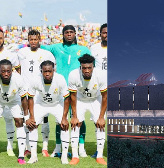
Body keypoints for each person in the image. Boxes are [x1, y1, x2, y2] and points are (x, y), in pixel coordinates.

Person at [41, 25, 90, 157]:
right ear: (63, 34)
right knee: (60, 118)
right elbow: (40, 46)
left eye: (71, 32)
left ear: (75, 34)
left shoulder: (83, 49)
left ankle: (81, 148)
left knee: (79, 118)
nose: (69, 34)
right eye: (66, 32)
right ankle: (58, 148)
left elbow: (90, 68)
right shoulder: (56, 47)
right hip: (60, 91)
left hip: (77, 90)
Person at [18, 29, 55, 157]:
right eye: (31, 39)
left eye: (35, 39)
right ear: (28, 40)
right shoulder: (21, 52)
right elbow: (18, 68)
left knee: (44, 119)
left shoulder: (46, 54)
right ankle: (28, 147)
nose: (33, 42)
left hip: (40, 92)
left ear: (39, 39)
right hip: (25, 92)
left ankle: (44, 147)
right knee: (27, 119)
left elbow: (52, 70)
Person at [26, 60, 70, 164]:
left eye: (49, 71)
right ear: (41, 71)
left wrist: (64, 118)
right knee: (32, 125)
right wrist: (31, 117)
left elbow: (67, 98)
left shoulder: (60, 79)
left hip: (57, 104)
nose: (47, 73)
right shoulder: (35, 79)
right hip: (41, 104)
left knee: (64, 126)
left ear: (53, 70)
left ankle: (64, 156)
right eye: (44, 71)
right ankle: (33, 156)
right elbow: (30, 98)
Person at [68, 54, 107, 165]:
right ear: (80, 67)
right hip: (80, 99)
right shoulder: (73, 75)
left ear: (93, 67)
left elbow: (105, 97)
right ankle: (75, 156)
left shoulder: (101, 75)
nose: (86, 71)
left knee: (100, 125)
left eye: (89, 68)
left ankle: (99, 156)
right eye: (84, 68)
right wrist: (74, 116)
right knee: (75, 124)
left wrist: (101, 117)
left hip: (96, 99)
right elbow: (73, 96)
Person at [0, 59, 28, 164]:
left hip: (14, 101)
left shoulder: (18, 79)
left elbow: (24, 98)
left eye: (8, 71)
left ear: (12, 71)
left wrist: (26, 115)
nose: (6, 74)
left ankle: (21, 156)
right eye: (3, 71)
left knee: (19, 121)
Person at [0, 28, 21, 157]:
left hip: (10, 93)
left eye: (0, 38)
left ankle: (9, 146)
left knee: (10, 120)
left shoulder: (11, 55)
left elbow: (18, 74)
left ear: (3, 38)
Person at [90, 23, 107, 158]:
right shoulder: (93, 48)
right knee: (98, 120)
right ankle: (99, 150)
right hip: (99, 89)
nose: (106, 35)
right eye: (104, 32)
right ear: (100, 34)